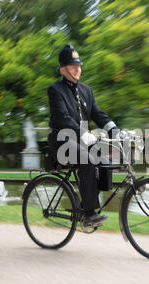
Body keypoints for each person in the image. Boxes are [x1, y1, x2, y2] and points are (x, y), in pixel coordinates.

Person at [47, 44, 119, 226]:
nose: (78, 70)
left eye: (79, 66)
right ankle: (89, 214)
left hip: (82, 141)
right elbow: (63, 118)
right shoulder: (55, 90)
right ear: (63, 70)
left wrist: (114, 130)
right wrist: (83, 133)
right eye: (73, 67)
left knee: (104, 162)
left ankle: (88, 200)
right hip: (62, 141)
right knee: (87, 160)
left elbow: (98, 114)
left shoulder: (87, 90)